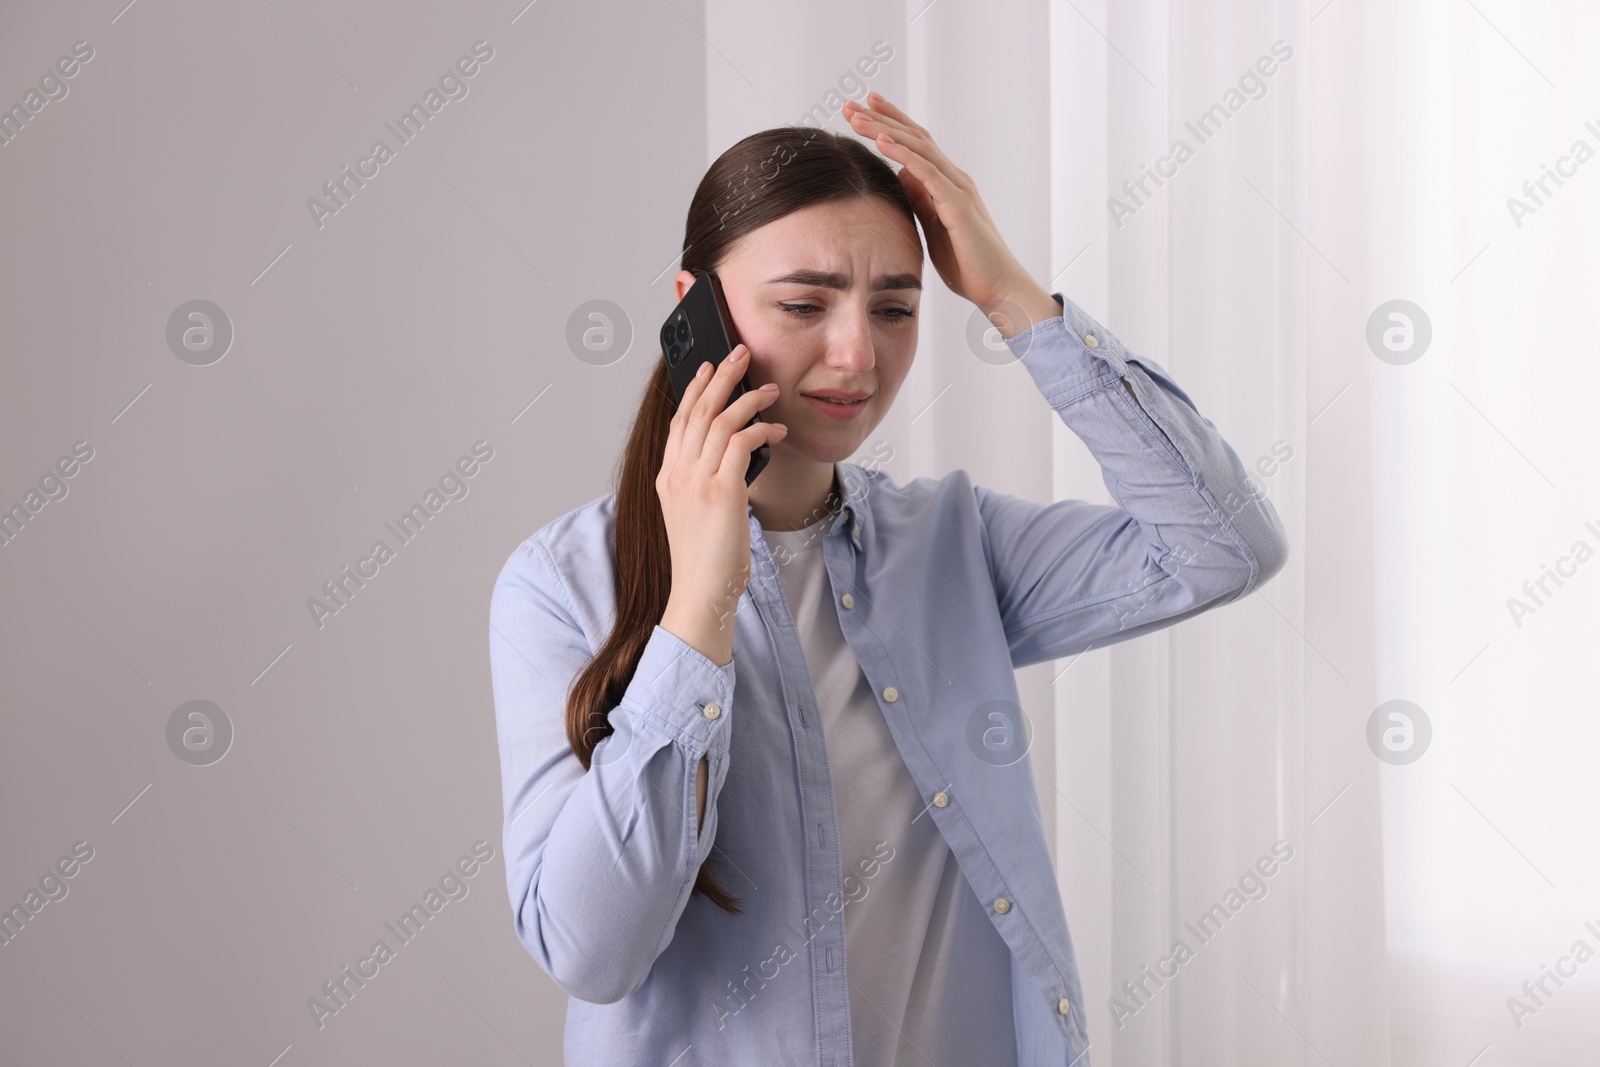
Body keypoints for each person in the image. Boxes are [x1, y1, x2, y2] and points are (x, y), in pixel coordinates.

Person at [489, 90, 1289, 1067]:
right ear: (691, 310)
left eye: (896, 307)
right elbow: (589, 949)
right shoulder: (559, 586)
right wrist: (698, 606)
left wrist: (1014, 299)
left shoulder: (951, 543)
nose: (856, 354)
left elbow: (1222, 546)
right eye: (802, 304)